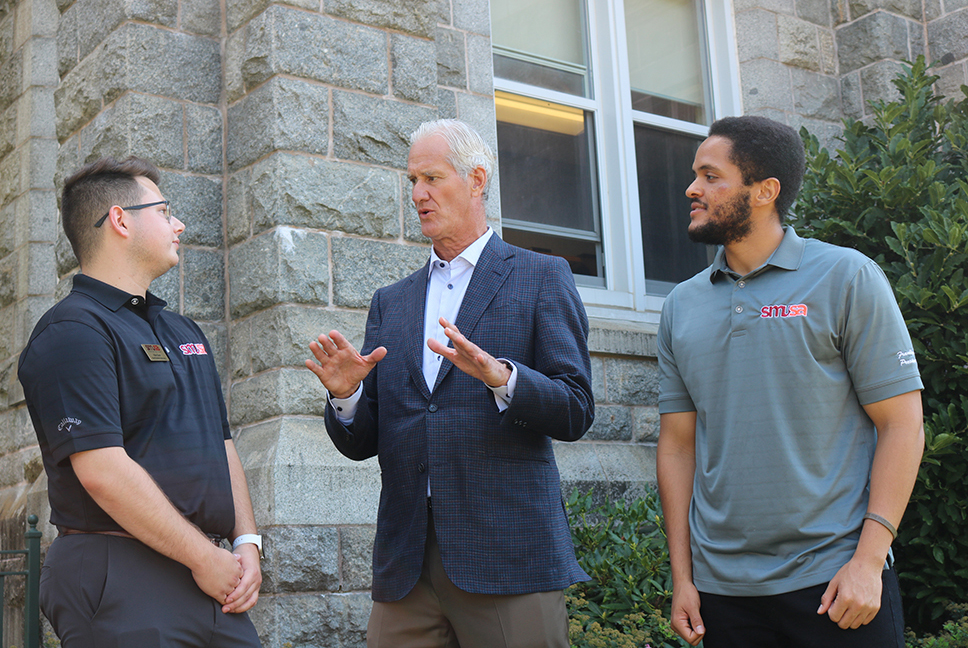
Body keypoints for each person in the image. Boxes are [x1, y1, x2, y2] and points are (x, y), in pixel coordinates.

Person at [305, 119, 594, 648]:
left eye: (432, 178)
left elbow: (575, 408)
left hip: (506, 556)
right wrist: (346, 397)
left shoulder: (541, 276)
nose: (418, 194)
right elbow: (364, 442)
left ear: (477, 180)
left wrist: (502, 379)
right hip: (407, 562)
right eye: (412, 180)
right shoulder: (390, 302)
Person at [655, 115, 925, 648]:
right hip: (724, 598)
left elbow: (903, 425)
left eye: (711, 176)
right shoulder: (680, 305)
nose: (692, 188)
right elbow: (677, 447)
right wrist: (684, 579)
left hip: (836, 585)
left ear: (764, 191)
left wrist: (869, 562)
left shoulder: (847, 276)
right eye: (694, 175)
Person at [18, 157, 263, 648]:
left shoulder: (182, 330)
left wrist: (245, 543)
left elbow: (222, 443)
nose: (179, 224)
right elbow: (103, 470)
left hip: (208, 575)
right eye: (165, 210)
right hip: (118, 573)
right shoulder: (73, 331)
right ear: (120, 219)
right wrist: (203, 557)